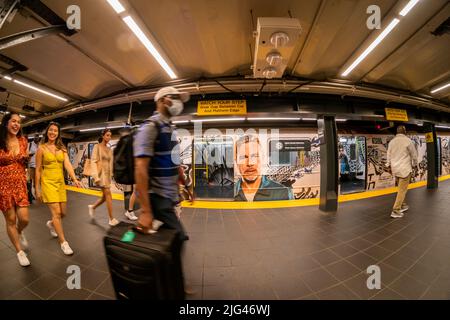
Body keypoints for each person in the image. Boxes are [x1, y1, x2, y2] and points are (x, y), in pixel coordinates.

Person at [133, 86, 190, 238]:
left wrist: (187, 185)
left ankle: (138, 238)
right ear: (163, 100)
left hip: (169, 197)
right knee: (179, 236)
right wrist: (145, 211)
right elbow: (140, 168)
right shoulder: (150, 127)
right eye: (175, 98)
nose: (179, 103)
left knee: (164, 240)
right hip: (157, 197)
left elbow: (175, 162)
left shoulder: (170, 128)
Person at [35, 122, 82, 255]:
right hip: (48, 183)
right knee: (56, 213)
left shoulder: (62, 148)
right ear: (47, 132)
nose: (53, 133)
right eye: (51, 130)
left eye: (55, 131)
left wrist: (74, 179)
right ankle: (63, 242)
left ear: (58, 133)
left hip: (60, 183)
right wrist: (37, 188)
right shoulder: (41, 148)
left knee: (63, 214)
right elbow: (38, 169)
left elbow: (67, 164)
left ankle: (51, 223)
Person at [0, 113, 31, 266]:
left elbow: (24, 162)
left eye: (19, 122)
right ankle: (19, 251)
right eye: (13, 121)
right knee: (11, 220)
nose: (16, 124)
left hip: (19, 184)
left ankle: (19, 232)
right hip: (3, 186)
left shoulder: (23, 141)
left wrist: (26, 159)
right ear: (6, 123)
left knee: (24, 219)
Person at [234, 135, 293, 201]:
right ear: (236, 161)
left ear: (263, 158)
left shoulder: (282, 192)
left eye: (255, 156)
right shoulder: (228, 193)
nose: (250, 163)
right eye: (243, 157)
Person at [87, 129, 120, 226]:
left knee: (104, 197)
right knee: (108, 194)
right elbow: (93, 161)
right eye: (107, 135)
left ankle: (92, 207)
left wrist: (113, 176)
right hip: (100, 175)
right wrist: (95, 177)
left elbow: (111, 164)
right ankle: (111, 219)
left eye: (110, 136)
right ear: (102, 136)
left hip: (107, 175)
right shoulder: (97, 147)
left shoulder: (109, 149)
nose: (109, 137)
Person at [386, 125, 418, 218]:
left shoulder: (392, 142)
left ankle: (403, 205)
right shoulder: (408, 141)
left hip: (395, 169)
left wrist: (388, 165)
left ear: (397, 132)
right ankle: (396, 210)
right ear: (405, 131)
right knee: (402, 190)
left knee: (400, 189)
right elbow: (414, 155)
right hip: (404, 169)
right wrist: (415, 164)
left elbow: (389, 155)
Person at [28, 134, 40, 201]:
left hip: (38, 166)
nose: (37, 138)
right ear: (34, 138)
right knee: (30, 181)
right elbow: (26, 154)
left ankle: (36, 194)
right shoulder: (30, 144)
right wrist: (29, 154)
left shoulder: (40, 145)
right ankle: (30, 195)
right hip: (31, 166)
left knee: (37, 181)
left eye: (38, 137)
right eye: (35, 137)